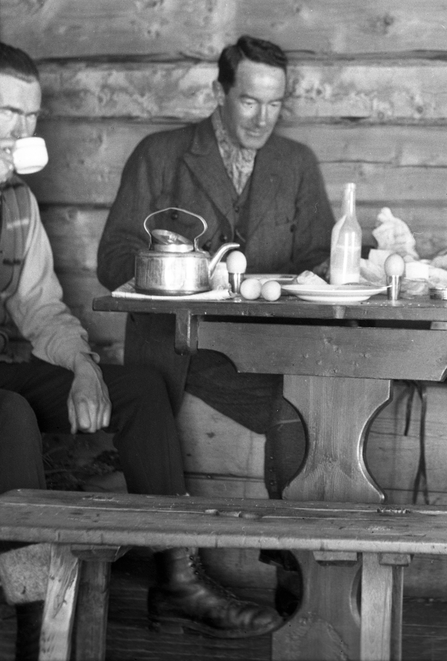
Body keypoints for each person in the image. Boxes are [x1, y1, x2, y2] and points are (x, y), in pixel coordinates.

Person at [0, 41, 281, 659]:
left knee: (140, 390)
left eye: (32, 116)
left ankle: (177, 578)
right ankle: (36, 610)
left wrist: (81, 367)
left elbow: (40, 306)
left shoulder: (19, 203)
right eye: (8, 113)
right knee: (6, 416)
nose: (22, 129)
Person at [96, 35, 335, 610]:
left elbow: (321, 259)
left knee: (305, 401)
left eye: (276, 104)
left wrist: (361, 253)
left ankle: (290, 567)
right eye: (250, 101)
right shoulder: (162, 154)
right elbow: (112, 260)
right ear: (219, 92)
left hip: (264, 343)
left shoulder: (295, 163)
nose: (263, 118)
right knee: (291, 403)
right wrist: (190, 267)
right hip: (180, 346)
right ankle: (206, 576)